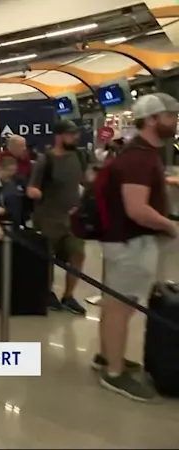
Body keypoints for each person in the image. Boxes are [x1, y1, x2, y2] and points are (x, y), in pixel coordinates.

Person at [96, 93, 179, 402]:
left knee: (115, 304)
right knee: (121, 307)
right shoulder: (140, 158)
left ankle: (107, 357)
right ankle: (115, 373)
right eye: (170, 116)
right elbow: (136, 209)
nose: (174, 121)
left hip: (124, 241)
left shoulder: (138, 154)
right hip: (132, 243)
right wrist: (170, 226)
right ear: (154, 119)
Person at [27, 120, 87, 315]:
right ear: (59, 136)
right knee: (48, 258)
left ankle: (69, 296)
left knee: (78, 254)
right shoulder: (46, 160)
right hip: (49, 218)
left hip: (73, 217)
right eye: (71, 134)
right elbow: (32, 187)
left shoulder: (79, 156)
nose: (75, 137)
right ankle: (47, 292)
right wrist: (34, 192)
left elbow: (84, 180)